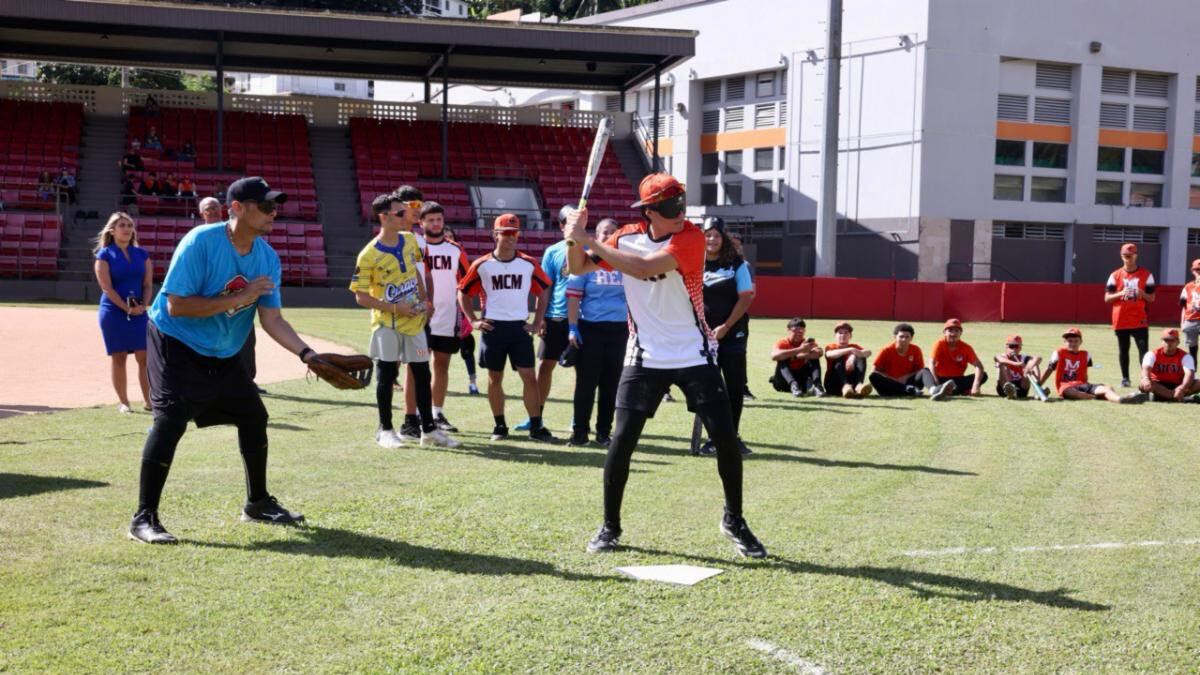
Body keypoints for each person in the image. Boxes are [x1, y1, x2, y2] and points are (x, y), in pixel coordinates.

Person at [563, 172, 766, 558]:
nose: (681, 212)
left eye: (681, 202)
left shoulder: (689, 238)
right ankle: (610, 526)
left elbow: (641, 268)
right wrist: (575, 235)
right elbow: (578, 268)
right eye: (672, 206)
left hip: (694, 352)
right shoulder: (623, 236)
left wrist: (589, 238)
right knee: (621, 443)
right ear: (651, 211)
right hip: (644, 355)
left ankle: (734, 519)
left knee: (725, 440)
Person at [129, 177, 315, 544]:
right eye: (265, 206)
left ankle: (257, 503)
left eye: (275, 206)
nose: (273, 212)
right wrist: (240, 296)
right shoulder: (201, 243)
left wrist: (308, 354)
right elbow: (175, 305)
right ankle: (143, 517)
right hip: (175, 341)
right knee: (169, 421)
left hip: (224, 350)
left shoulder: (267, 256)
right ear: (237, 208)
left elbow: (272, 319)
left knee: (253, 415)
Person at [352, 193, 458, 449]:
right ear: (383, 217)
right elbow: (360, 297)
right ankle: (385, 429)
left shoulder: (411, 240)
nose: (406, 217)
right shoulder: (368, 255)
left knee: (422, 372)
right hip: (386, 324)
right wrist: (394, 307)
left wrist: (425, 299)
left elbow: (417, 272)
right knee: (386, 374)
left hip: (415, 322)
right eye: (400, 213)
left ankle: (429, 430)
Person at [458, 213, 554, 442]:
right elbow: (462, 291)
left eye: (515, 233)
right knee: (494, 377)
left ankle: (536, 426)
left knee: (529, 376)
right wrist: (473, 320)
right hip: (493, 327)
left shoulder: (528, 263)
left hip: (519, 328)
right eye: (506, 233)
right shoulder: (482, 264)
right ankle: (500, 425)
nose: (511, 238)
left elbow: (543, 291)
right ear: (495, 234)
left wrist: (538, 319)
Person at [565, 217, 627, 447]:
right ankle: (580, 433)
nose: (609, 236)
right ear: (596, 235)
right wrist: (572, 328)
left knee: (611, 385)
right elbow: (573, 297)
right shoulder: (586, 260)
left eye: (613, 232)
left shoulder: (622, 262)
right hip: (590, 330)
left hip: (619, 331)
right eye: (604, 232)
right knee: (586, 384)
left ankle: (604, 433)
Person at [696, 216, 755, 455]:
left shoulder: (736, 264)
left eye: (717, 235)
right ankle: (713, 437)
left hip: (733, 334)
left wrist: (726, 327)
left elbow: (746, 297)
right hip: (702, 335)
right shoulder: (693, 263)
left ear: (724, 238)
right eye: (708, 234)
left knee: (733, 386)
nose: (712, 239)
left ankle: (732, 436)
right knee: (708, 388)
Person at [514, 204, 575, 432]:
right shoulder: (553, 251)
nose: (573, 226)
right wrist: (542, 318)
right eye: (568, 221)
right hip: (556, 317)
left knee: (584, 370)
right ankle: (535, 416)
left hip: (584, 319)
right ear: (561, 226)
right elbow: (545, 287)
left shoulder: (590, 249)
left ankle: (578, 419)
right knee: (545, 366)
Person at [418, 202, 470, 432]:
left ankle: (437, 412)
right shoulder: (415, 247)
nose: (436, 224)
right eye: (430, 220)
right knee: (418, 367)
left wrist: (468, 314)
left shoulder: (455, 250)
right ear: (421, 223)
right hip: (420, 317)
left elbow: (467, 282)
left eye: (439, 219)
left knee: (442, 366)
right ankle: (418, 414)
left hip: (448, 317)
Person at [94, 212, 153, 414]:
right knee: (118, 357)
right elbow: (107, 288)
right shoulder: (104, 255)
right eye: (122, 225)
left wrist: (143, 305)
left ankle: (149, 401)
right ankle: (124, 403)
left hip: (139, 311)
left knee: (144, 356)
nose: (127, 229)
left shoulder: (142, 254)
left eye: (129, 225)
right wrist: (127, 308)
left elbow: (147, 284)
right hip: (113, 312)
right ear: (112, 230)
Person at [1039, 327, 1145, 403]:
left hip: (1084, 385)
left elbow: (1084, 373)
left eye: (1076, 341)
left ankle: (1121, 399)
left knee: (1108, 388)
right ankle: (1096, 397)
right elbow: (1049, 369)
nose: (1072, 343)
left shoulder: (1086, 355)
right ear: (1064, 342)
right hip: (1065, 386)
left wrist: (1087, 385)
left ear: (1081, 342)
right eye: (1069, 341)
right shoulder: (1058, 353)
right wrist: (1039, 385)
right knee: (1071, 393)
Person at [1104, 242, 1155, 387]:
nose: (1128, 259)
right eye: (1126, 256)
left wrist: (1142, 293)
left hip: (1139, 318)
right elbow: (1107, 298)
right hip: (1121, 318)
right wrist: (1121, 293)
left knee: (1143, 349)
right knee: (1123, 349)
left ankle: (1145, 378)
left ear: (1136, 256)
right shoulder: (1115, 275)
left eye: (1131, 256)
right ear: (1121, 256)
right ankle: (1125, 378)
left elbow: (1152, 298)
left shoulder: (1146, 274)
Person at [869, 323, 954, 399]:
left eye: (907, 337)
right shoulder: (886, 350)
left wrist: (906, 376)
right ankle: (908, 390)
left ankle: (934, 390)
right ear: (895, 337)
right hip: (891, 386)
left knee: (925, 370)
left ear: (911, 338)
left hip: (910, 384)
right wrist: (892, 379)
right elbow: (874, 371)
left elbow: (920, 370)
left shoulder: (916, 350)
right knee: (873, 376)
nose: (904, 339)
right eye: (901, 336)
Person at [444, 227, 480, 396]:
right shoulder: (431, 255)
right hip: (441, 310)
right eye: (446, 237)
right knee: (439, 349)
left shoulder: (460, 255)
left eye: (451, 236)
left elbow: (468, 283)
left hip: (458, 308)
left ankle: (473, 383)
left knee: (467, 347)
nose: (449, 240)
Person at [930, 318, 988, 396]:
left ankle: (953, 390)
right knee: (926, 372)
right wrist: (936, 382)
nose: (953, 334)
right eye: (950, 331)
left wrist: (976, 385)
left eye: (957, 331)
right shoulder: (939, 344)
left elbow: (979, 366)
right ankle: (954, 390)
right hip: (941, 379)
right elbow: (931, 363)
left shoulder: (966, 347)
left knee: (984, 375)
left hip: (958, 379)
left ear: (961, 333)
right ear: (944, 333)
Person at [1139, 328, 1200, 402]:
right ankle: (1177, 398)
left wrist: (1182, 388)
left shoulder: (1185, 356)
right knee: (1143, 383)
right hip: (1158, 384)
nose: (1169, 343)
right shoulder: (1152, 354)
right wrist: (1146, 379)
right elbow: (1146, 369)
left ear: (1178, 342)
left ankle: (1161, 398)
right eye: (1166, 340)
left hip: (1178, 385)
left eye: (1172, 340)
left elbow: (1189, 374)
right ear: (1162, 341)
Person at [770, 318, 824, 397]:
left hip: (801, 380)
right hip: (783, 382)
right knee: (783, 358)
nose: (798, 333)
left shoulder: (807, 343)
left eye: (801, 330)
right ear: (788, 330)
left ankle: (817, 386)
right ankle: (793, 385)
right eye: (795, 330)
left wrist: (796, 356)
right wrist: (800, 349)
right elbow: (774, 356)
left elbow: (819, 353)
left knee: (814, 359)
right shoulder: (783, 343)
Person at [823, 321, 873, 398]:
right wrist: (850, 350)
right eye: (840, 333)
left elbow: (868, 352)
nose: (843, 335)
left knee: (860, 356)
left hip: (852, 383)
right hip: (834, 384)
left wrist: (853, 355)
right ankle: (845, 385)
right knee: (840, 355)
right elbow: (829, 354)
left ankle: (859, 385)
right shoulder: (831, 347)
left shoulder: (854, 347)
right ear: (835, 336)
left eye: (846, 333)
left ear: (850, 336)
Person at [994, 335, 1047, 401]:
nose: (1014, 349)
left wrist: (1029, 367)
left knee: (1034, 365)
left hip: (1021, 388)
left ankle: (1038, 388)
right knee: (1003, 365)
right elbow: (998, 359)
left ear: (1020, 348)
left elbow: (1038, 358)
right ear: (1006, 347)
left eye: (1016, 346)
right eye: (1011, 346)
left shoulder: (1024, 358)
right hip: (1004, 388)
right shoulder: (1002, 356)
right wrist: (1016, 364)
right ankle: (1010, 389)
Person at [1179, 259, 1200, 362]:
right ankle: (1193, 373)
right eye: (1197, 270)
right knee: (1192, 349)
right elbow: (1183, 306)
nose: (1199, 272)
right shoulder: (1188, 287)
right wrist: (1182, 323)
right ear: (1193, 271)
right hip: (1191, 320)